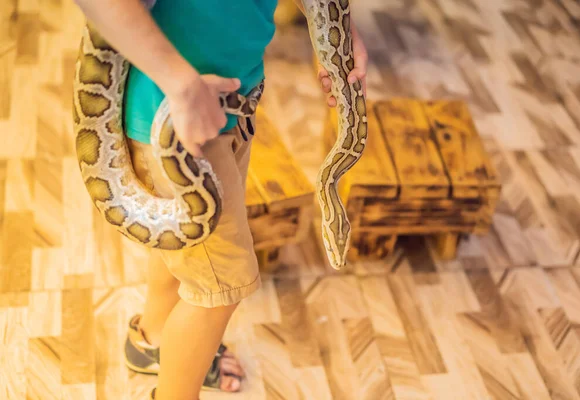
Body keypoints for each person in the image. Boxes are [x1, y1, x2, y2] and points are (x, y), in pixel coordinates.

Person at [72, 0, 368, 398]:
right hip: (175, 116)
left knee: (189, 255)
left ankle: (153, 339)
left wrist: (339, 32)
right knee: (221, 288)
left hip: (230, 106)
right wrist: (181, 85)